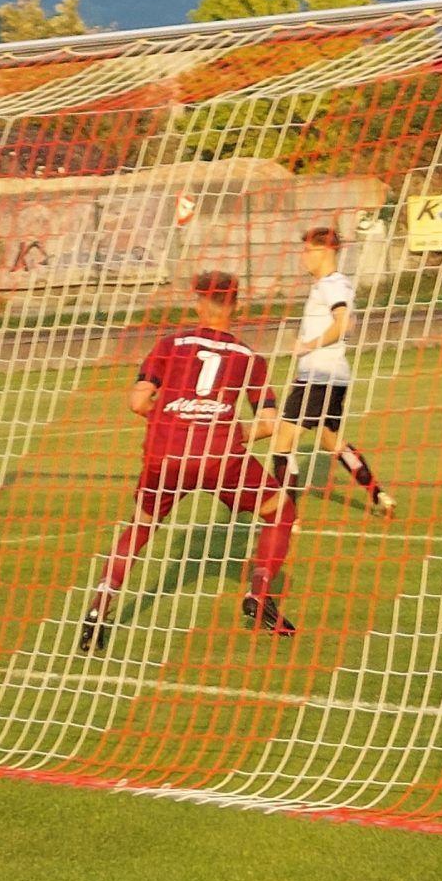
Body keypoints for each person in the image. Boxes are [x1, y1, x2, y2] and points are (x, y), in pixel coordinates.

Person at [81, 271, 298, 652]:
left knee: (142, 526)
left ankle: (100, 603)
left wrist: (171, 421)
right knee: (280, 512)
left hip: (164, 454)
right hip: (219, 455)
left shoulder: (168, 344)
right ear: (237, 305)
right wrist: (227, 431)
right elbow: (269, 423)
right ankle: (259, 595)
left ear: (197, 303)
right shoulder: (249, 356)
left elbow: (137, 402)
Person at [269, 225, 395, 519]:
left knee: (282, 444)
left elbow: (341, 324)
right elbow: (348, 324)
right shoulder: (340, 284)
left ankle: (288, 517)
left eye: (308, 251)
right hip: (333, 376)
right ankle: (380, 496)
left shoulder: (331, 285)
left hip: (318, 375)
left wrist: (308, 345)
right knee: (331, 442)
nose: (303, 257)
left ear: (325, 252)